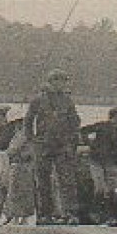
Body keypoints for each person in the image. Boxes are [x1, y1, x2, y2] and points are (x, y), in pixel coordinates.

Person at [25, 69, 82, 224]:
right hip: (43, 146)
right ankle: (45, 215)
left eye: (63, 81)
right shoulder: (38, 100)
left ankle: (70, 213)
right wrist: (32, 141)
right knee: (43, 182)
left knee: (67, 181)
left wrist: (72, 142)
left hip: (62, 146)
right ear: (50, 82)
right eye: (58, 81)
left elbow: (75, 122)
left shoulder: (68, 101)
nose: (61, 85)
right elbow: (28, 121)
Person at [81, 107, 117, 222]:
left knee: (112, 190)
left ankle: (108, 214)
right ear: (112, 118)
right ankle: (95, 211)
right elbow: (83, 130)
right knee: (99, 188)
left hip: (112, 162)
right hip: (97, 161)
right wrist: (89, 143)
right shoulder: (102, 126)